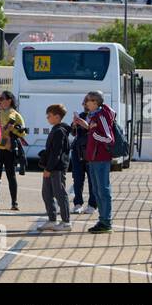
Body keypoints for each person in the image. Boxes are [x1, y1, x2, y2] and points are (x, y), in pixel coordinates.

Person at [78, 90, 117, 233]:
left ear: (95, 102)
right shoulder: (94, 116)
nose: (85, 103)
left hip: (101, 158)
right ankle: (102, 220)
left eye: (88, 100)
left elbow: (109, 138)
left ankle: (106, 222)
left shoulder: (101, 116)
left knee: (103, 190)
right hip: (93, 158)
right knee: (97, 190)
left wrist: (94, 134)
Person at [37, 104, 72, 231]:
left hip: (56, 168)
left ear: (57, 117)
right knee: (46, 193)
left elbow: (56, 153)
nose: (47, 118)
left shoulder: (59, 131)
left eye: (49, 116)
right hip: (52, 166)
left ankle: (66, 222)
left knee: (59, 193)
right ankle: (52, 219)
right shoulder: (56, 129)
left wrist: (48, 168)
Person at [0, 91, 25, 211]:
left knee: (11, 176)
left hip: (9, 149)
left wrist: (13, 129)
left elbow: (23, 132)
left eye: (2, 98)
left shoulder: (16, 115)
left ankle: (14, 202)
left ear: (9, 100)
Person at [70, 101, 98, 215]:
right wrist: (74, 125)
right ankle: (78, 204)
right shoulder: (81, 115)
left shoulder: (98, 117)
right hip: (78, 151)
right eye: (83, 103)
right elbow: (73, 133)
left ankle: (92, 205)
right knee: (77, 179)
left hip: (92, 152)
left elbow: (94, 131)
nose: (84, 105)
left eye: (86, 103)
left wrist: (84, 124)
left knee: (93, 180)